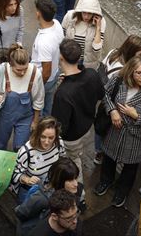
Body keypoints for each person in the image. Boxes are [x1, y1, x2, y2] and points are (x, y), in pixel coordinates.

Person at [96, 55, 141, 204]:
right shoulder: (118, 81)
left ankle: (122, 192)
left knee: (130, 168)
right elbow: (105, 94)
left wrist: (136, 116)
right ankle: (105, 181)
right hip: (115, 130)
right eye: (139, 73)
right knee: (108, 159)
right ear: (131, 72)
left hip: (136, 137)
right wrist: (112, 110)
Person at [52, 38, 99, 183]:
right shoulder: (92, 74)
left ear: (61, 57)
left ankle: (78, 192)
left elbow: (60, 126)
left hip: (71, 138)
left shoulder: (63, 93)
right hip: (87, 128)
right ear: (79, 57)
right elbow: (100, 95)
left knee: (72, 164)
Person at [11, 116, 63, 202]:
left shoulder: (59, 143)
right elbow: (15, 173)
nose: (47, 142)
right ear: (37, 134)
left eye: (51, 138)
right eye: (43, 137)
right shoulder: (26, 151)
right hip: (30, 191)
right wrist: (27, 179)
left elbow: (62, 159)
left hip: (51, 187)